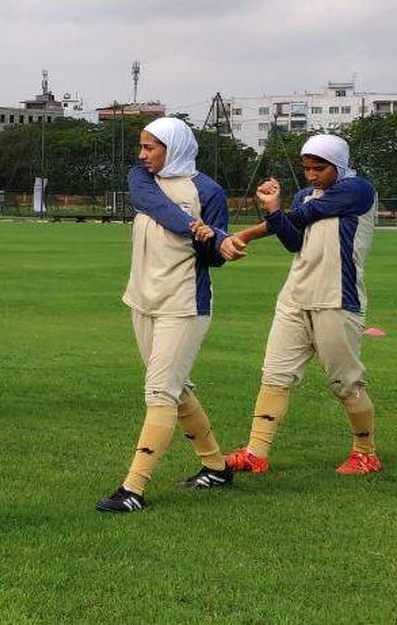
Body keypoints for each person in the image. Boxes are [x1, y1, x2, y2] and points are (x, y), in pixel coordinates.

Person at [96, 117, 234, 513]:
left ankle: (133, 489)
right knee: (176, 388)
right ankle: (216, 467)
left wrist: (219, 245)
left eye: (150, 148)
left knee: (161, 393)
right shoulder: (141, 179)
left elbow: (212, 259)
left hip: (183, 305)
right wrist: (195, 226)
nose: (142, 155)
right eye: (141, 147)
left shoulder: (209, 191)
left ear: (173, 148)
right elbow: (152, 205)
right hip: (141, 301)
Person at [222, 134, 381, 476]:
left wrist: (261, 223)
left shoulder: (359, 190)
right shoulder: (305, 195)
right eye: (307, 168)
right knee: (275, 375)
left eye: (319, 168)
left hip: (337, 299)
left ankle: (366, 453)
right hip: (295, 297)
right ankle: (255, 453)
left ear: (338, 164)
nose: (311, 176)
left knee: (345, 383)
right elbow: (293, 238)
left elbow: (305, 215)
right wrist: (276, 212)